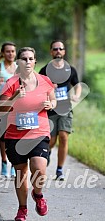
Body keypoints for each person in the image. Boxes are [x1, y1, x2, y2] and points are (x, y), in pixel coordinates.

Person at [0, 47, 56, 221]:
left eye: (31, 59)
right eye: (24, 59)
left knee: (39, 168)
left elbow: (53, 99)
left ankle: (38, 194)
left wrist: (50, 104)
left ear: (35, 61)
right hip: (16, 135)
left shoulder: (45, 80)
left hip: (39, 132)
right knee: (21, 173)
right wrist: (14, 97)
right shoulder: (11, 83)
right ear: (18, 62)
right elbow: (0, 109)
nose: (27, 62)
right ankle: (22, 209)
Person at [39, 40, 81, 181]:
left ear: (64, 52)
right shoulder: (45, 70)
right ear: (51, 52)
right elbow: (37, 88)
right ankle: (49, 152)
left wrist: (77, 94)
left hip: (65, 109)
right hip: (50, 110)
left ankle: (60, 170)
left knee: (63, 136)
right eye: (55, 49)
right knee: (51, 141)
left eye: (60, 49)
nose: (58, 51)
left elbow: (77, 84)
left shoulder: (70, 69)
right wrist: (49, 88)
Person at [0, 41, 17, 178]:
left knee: (15, 135)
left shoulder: (19, 67)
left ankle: (14, 164)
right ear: (3, 53)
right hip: (0, 105)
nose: (10, 54)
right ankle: (3, 163)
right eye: (8, 51)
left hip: (17, 106)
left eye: (13, 51)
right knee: (4, 135)